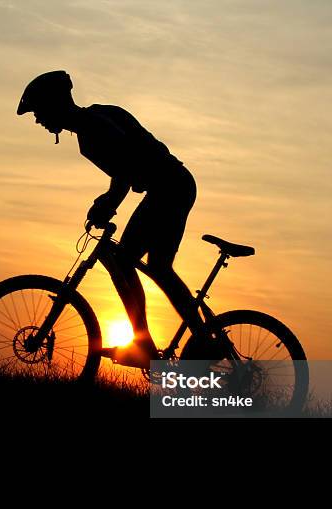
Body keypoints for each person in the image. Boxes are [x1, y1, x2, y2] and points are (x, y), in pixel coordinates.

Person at [17, 70, 197, 368]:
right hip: (167, 187)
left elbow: (127, 166)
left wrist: (110, 202)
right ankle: (193, 337)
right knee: (156, 267)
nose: (38, 120)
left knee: (132, 263)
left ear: (55, 103)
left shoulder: (94, 124)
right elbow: (123, 172)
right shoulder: (88, 134)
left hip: (170, 187)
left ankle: (151, 343)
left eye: (39, 111)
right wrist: (106, 200)